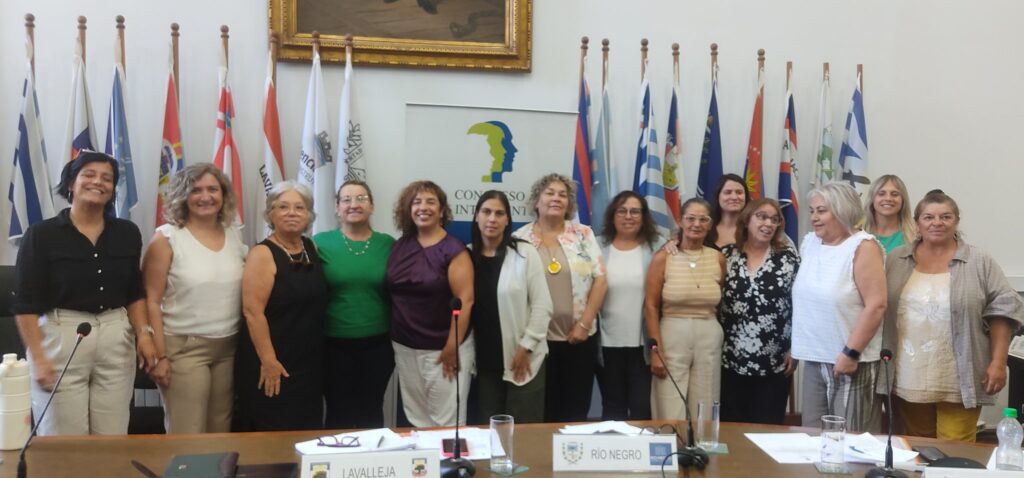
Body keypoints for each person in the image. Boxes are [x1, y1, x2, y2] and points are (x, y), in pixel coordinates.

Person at [12, 151, 156, 435]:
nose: (98, 182)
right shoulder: (41, 235)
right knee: (64, 439)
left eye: (107, 178)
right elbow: (25, 302)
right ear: (71, 184)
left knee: (113, 435)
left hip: (116, 336)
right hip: (62, 337)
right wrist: (38, 358)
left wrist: (144, 334)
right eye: (89, 175)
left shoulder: (127, 233)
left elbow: (134, 292)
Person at [879, 190, 1024, 442]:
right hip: (907, 376)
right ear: (917, 223)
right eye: (928, 217)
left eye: (945, 217)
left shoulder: (979, 261)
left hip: (960, 378)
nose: (937, 223)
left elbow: (1004, 310)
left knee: (955, 449)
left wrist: (998, 363)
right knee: (917, 446)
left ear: (957, 221)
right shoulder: (896, 259)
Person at [142, 163, 246, 433]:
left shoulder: (234, 233)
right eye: (196, 190)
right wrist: (160, 356)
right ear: (182, 196)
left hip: (228, 347)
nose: (205, 196)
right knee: (188, 432)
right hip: (184, 348)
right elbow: (151, 300)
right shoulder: (166, 238)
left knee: (220, 429)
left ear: (223, 194)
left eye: (213, 189)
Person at [791, 182, 887, 432]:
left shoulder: (863, 246)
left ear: (843, 210)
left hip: (850, 360)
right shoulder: (810, 243)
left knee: (850, 440)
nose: (814, 217)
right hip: (814, 358)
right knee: (812, 437)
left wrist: (850, 353)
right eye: (812, 211)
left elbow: (876, 305)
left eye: (822, 211)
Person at [513, 173, 606, 423]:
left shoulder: (583, 234)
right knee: (540, 411)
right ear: (536, 201)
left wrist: (584, 324)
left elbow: (600, 279)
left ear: (569, 204)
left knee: (575, 411)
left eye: (562, 195)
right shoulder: (519, 239)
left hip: (579, 338)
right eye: (550, 193)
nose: (556, 198)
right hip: (536, 341)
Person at [235, 181, 326, 431]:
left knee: (306, 430)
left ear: (309, 215)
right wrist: (269, 361)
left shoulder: (310, 247)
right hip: (273, 360)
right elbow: (252, 313)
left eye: (299, 207)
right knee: (274, 428)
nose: (292, 213)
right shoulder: (262, 254)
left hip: (308, 362)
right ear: (270, 214)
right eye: (283, 207)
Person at [387, 180, 475, 427]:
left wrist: (452, 346)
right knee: (417, 418)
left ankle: (447, 456)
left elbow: (466, 301)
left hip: (443, 349)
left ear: (442, 210)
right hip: (405, 347)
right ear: (408, 209)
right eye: (416, 202)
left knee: (446, 422)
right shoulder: (400, 246)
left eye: (430, 202)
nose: (423, 207)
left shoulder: (454, 250)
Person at [314, 180, 396, 429]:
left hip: (378, 345)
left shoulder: (388, 244)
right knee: (338, 411)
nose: (354, 204)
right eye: (346, 199)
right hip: (332, 346)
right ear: (337, 207)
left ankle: (372, 455)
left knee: (371, 410)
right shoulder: (319, 243)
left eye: (361, 198)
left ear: (372, 206)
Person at [470, 190, 552, 423]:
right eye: (486, 212)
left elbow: (543, 305)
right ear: (476, 216)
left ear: (508, 220)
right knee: (490, 430)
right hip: (485, 361)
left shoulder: (525, 253)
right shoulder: (466, 255)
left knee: (524, 429)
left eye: (499, 213)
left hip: (523, 356)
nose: (492, 219)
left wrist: (526, 347)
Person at [718, 199, 799, 425]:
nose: (768, 224)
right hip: (730, 357)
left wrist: (795, 347)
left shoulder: (788, 258)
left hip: (775, 360)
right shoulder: (726, 256)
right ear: (746, 220)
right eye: (762, 217)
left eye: (774, 219)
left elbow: (801, 305)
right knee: (732, 428)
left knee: (768, 427)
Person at [646, 198, 725, 421]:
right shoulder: (663, 257)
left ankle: (703, 443)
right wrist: (656, 351)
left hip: (708, 336)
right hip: (672, 335)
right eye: (690, 218)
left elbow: (718, 298)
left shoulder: (718, 258)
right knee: (669, 404)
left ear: (710, 224)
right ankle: (672, 443)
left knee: (705, 405)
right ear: (680, 221)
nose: (696, 224)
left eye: (703, 219)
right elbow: (651, 306)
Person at [597, 191, 660, 420]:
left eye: (635, 211)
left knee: (642, 407)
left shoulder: (658, 247)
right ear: (612, 215)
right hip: (606, 342)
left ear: (644, 216)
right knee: (612, 407)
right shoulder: (596, 246)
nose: (628, 216)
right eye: (622, 211)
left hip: (641, 344)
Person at [864, 175, 917, 254]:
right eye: (881, 194)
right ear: (872, 199)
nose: (888, 198)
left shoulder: (916, 235)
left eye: (895, 194)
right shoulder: (857, 233)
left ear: (903, 200)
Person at [705, 174, 749, 250]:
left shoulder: (753, 231)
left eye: (739, 192)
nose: (734, 197)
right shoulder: (705, 229)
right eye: (728, 192)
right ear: (718, 196)